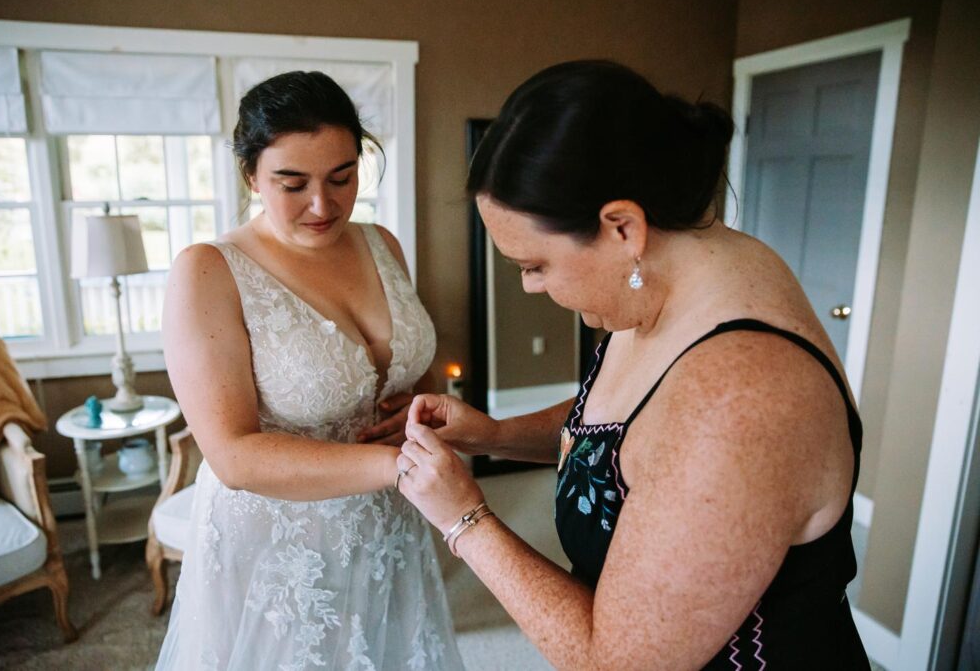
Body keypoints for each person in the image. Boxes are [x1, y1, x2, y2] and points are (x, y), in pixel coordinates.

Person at [393, 60, 870, 670]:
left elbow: (617, 664)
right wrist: (493, 436)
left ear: (622, 228)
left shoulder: (740, 398)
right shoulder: (675, 278)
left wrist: (467, 518)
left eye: (534, 265)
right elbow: (634, 429)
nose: (531, 287)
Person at [156, 71, 464, 671]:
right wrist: (400, 467)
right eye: (292, 183)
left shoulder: (383, 243)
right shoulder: (208, 271)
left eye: (343, 178)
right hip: (284, 547)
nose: (324, 206)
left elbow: (404, 373)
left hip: (389, 524)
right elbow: (234, 456)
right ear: (251, 174)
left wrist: (419, 412)